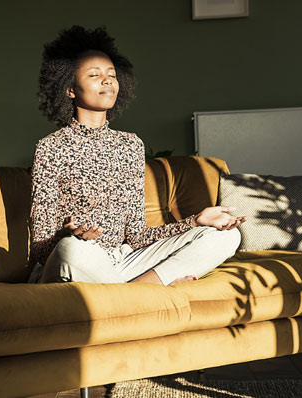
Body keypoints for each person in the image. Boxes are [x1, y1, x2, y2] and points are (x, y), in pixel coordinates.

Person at [29, 26, 245, 286]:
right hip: (75, 262)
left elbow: (137, 236)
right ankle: (144, 294)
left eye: (112, 74)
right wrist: (69, 235)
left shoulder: (130, 145)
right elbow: (41, 248)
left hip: (122, 263)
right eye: (95, 75)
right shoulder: (51, 148)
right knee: (71, 250)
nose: (108, 80)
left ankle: (142, 289)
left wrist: (195, 220)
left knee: (226, 237)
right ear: (69, 89)